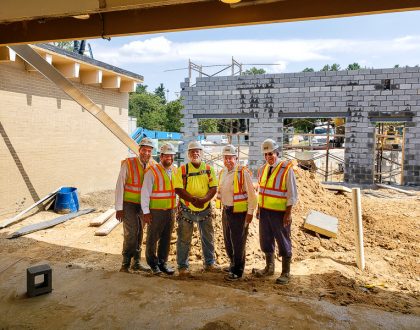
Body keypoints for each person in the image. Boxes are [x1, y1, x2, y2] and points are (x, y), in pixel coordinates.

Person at [253, 138, 298, 284]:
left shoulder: (286, 169)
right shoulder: (263, 169)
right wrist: (259, 209)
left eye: (271, 154)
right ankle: (269, 267)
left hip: (280, 213)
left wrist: (288, 213)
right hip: (265, 211)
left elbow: (292, 194)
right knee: (265, 239)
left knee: (283, 240)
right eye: (265, 154)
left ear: (277, 152)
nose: (268, 157)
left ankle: (286, 272)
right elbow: (262, 191)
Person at [174, 141, 219, 276]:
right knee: (184, 238)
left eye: (197, 151)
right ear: (188, 154)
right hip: (187, 210)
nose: (195, 153)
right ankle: (182, 266)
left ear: (202, 153)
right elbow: (178, 189)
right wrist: (194, 200)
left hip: (204, 209)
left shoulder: (209, 169)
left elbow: (213, 188)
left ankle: (209, 263)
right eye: (192, 151)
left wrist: (204, 200)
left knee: (208, 237)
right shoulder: (182, 170)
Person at [215, 144, 257, 281]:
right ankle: (233, 263)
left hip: (239, 212)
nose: (227, 160)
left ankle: (238, 270)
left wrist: (250, 212)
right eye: (225, 158)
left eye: (230, 158)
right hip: (226, 211)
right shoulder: (223, 173)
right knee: (228, 241)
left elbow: (252, 195)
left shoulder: (242, 172)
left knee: (238, 242)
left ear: (236, 158)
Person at [115, 137, 155, 273]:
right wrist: (119, 208)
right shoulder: (129, 163)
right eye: (144, 150)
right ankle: (125, 263)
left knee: (140, 233)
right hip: (129, 205)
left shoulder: (152, 166)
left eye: (149, 151)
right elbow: (120, 185)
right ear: (139, 150)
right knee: (131, 233)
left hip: (143, 206)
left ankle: (136, 262)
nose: (146, 153)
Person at [141, 142, 177, 275]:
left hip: (170, 211)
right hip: (155, 212)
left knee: (166, 238)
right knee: (152, 238)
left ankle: (163, 263)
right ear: (161, 156)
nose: (170, 158)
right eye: (167, 156)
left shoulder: (174, 170)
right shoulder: (152, 171)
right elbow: (145, 193)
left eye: (172, 156)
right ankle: (153, 264)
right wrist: (146, 212)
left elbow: (175, 190)